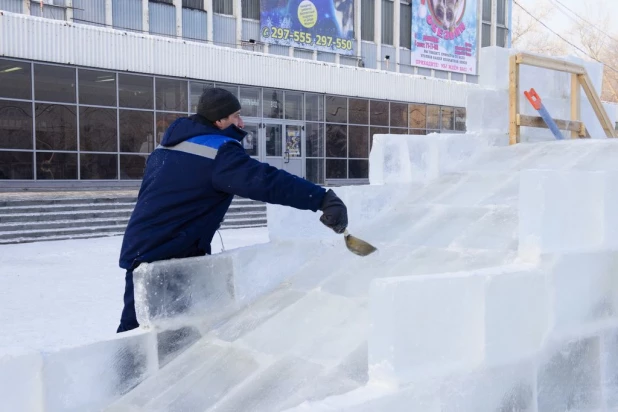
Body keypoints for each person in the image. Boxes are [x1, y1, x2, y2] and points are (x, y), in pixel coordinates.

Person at [117, 87, 348, 333]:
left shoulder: (167, 148)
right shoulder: (217, 151)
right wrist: (321, 198)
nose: (241, 121)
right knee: (143, 343)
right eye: (235, 116)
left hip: (150, 248)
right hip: (165, 256)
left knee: (158, 334)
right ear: (219, 120)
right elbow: (265, 181)